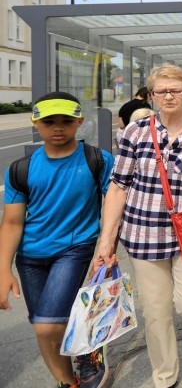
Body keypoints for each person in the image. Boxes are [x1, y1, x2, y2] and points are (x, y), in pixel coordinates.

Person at [94, 64, 182, 388]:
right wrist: (106, 241)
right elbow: (119, 185)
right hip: (143, 233)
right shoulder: (135, 132)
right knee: (155, 312)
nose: (168, 96)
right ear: (152, 95)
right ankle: (164, 377)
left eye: (176, 90)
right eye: (161, 91)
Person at [0, 91, 115, 388]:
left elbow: (116, 201)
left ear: (79, 122)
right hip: (30, 257)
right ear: (36, 123)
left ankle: (88, 349)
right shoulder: (20, 169)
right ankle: (69, 382)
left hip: (74, 249)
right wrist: (3, 270)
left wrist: (108, 244)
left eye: (66, 121)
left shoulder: (97, 160)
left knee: (46, 325)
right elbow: (12, 223)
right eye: (50, 121)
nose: (58, 127)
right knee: (47, 327)